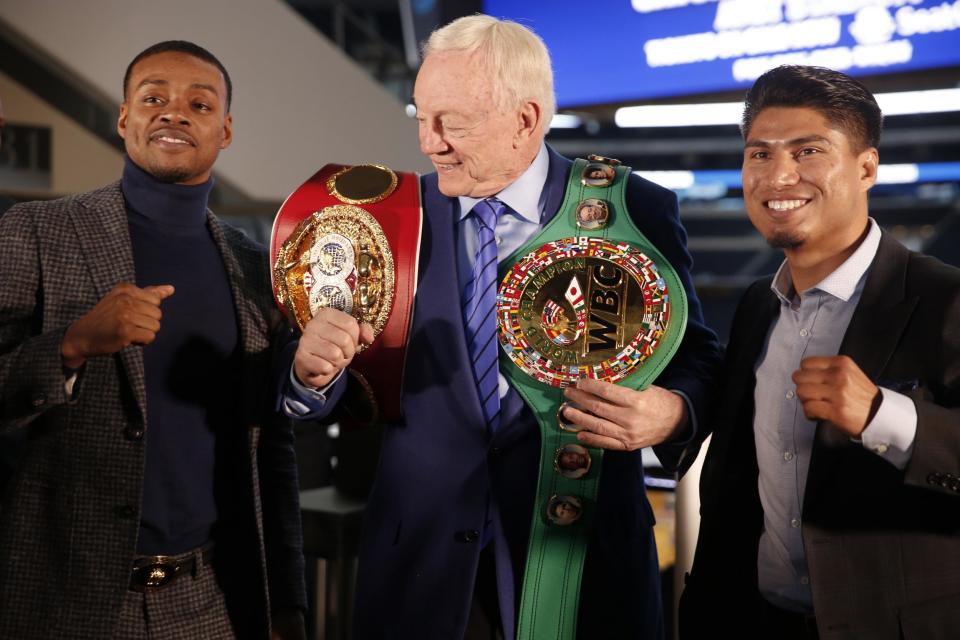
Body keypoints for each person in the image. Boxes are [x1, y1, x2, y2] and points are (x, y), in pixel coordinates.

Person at [290, 15, 721, 639]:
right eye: (421, 116)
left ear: (526, 119)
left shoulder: (633, 207)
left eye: (452, 124)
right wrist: (309, 373)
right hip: (422, 568)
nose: (428, 143)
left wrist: (672, 412)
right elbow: (319, 383)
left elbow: (696, 357)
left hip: (585, 558)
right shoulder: (386, 219)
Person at [0, 41, 306, 639]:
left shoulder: (254, 267)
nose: (174, 113)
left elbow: (272, 446)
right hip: (61, 602)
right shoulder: (33, 232)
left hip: (209, 603)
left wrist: (288, 600)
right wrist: (70, 346)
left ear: (225, 130)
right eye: (154, 98)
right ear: (124, 118)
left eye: (198, 102)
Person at [679, 65, 960, 640]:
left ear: (866, 168)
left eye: (808, 151)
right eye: (760, 155)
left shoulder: (948, 300)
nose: (779, 176)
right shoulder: (760, 305)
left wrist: (886, 417)